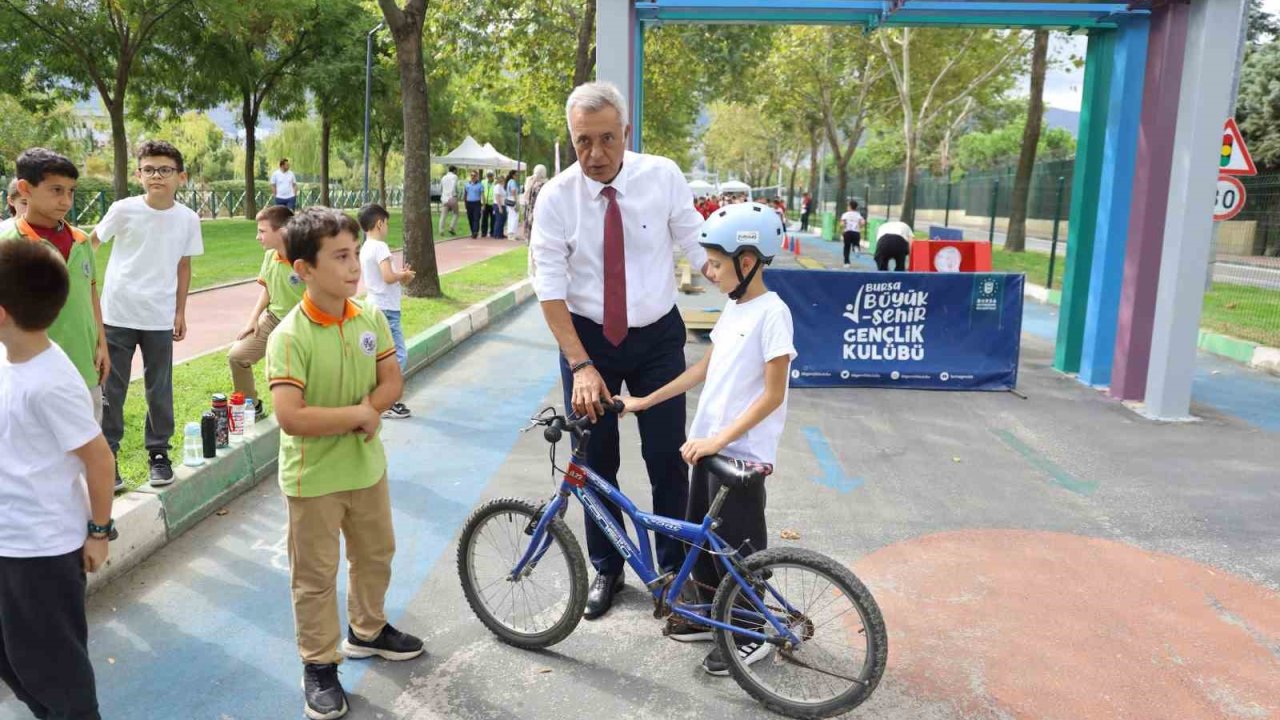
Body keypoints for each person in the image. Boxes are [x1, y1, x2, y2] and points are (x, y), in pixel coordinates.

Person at [530, 81, 712, 620]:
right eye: (583, 141)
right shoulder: (557, 197)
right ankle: (606, 568)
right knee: (595, 463)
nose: (595, 154)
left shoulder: (662, 176)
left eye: (607, 139)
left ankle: (673, 577)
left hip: (656, 337)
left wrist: (744, 293)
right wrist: (580, 363)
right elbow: (550, 288)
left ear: (626, 134)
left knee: (667, 460)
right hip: (589, 344)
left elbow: (697, 243)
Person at [620, 201, 794, 675]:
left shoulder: (772, 313)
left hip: (740, 457)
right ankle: (709, 617)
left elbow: (773, 396)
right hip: (711, 449)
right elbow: (702, 368)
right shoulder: (736, 309)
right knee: (703, 542)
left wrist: (718, 440)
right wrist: (645, 401)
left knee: (737, 551)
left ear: (747, 261)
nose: (709, 272)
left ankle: (749, 632)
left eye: (716, 263)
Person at [266, 208, 424, 720]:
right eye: (339, 257)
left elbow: (392, 382)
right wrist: (360, 413)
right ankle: (319, 664)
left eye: (355, 253)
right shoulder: (288, 336)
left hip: (365, 467)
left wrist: (372, 409)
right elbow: (291, 417)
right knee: (314, 576)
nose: (354, 266)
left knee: (376, 553)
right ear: (303, 269)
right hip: (313, 480)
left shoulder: (370, 317)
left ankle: (368, 630)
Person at [0, 239, 117, 720]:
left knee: (54, 663)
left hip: (42, 550)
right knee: (12, 658)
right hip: (10, 540)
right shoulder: (9, 360)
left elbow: (100, 459)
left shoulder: (51, 381)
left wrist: (99, 531)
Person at [92, 140, 204, 489]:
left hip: (158, 317)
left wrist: (180, 311)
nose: (157, 176)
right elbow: (91, 243)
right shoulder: (123, 209)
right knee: (113, 388)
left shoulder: (188, 219)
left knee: (159, 387)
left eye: (165, 170)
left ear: (180, 177)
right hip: (117, 315)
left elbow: (184, 266)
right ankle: (107, 458)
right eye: (150, 169)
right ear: (139, 174)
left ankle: (158, 453)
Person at [0, 149, 110, 473]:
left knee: (87, 450)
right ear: (24, 188)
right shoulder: (9, 242)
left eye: (71, 191)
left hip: (83, 364)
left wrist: (101, 342)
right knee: (38, 456)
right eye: (56, 190)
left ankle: (93, 514)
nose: (65, 200)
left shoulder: (80, 241)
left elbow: (90, 293)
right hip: (28, 370)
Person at [227, 205, 302, 415]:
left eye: (262, 231)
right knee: (237, 356)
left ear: (282, 231)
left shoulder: (306, 259)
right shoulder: (270, 255)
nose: (258, 237)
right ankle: (252, 406)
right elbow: (268, 289)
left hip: (302, 325)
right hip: (273, 318)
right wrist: (253, 320)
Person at [357, 202, 414, 420]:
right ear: (379, 223)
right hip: (387, 309)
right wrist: (403, 276)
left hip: (374, 304)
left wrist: (397, 274)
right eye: (387, 223)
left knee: (378, 355)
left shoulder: (365, 247)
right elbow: (388, 277)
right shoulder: (380, 247)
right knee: (398, 355)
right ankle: (386, 400)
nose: (387, 227)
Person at [518, 164, 548, 243]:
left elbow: (526, 198)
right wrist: (530, 184)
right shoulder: (535, 185)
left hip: (537, 214)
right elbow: (526, 198)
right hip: (534, 213)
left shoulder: (542, 186)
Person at [840, 199, 866, 268]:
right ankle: (856, 248)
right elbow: (863, 222)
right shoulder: (858, 214)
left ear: (850, 206)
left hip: (847, 232)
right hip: (856, 232)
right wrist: (860, 225)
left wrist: (843, 225)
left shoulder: (845, 214)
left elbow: (842, 223)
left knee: (846, 247)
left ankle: (846, 262)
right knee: (855, 244)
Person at [438, 165, 459, 236]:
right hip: (452, 197)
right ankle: (451, 227)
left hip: (444, 198)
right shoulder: (455, 177)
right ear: (454, 170)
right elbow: (455, 186)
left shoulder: (443, 177)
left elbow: (441, 188)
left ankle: (441, 230)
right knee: (456, 213)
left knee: (443, 215)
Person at [463, 170, 484, 238]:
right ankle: (472, 231)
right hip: (469, 203)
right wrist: (465, 203)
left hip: (477, 203)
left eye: (474, 175)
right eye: (471, 175)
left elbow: (482, 195)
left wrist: (483, 204)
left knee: (476, 218)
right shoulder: (467, 185)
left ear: (477, 176)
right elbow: (465, 194)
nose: (473, 177)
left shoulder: (480, 185)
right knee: (470, 218)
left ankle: (475, 232)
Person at [480, 171, 496, 238]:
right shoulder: (483, 182)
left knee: (493, 219)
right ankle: (484, 232)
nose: (489, 178)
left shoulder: (495, 182)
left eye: (491, 176)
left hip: (493, 203)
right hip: (485, 203)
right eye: (488, 176)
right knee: (484, 219)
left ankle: (492, 232)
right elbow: (482, 191)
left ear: (493, 176)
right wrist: (483, 203)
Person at [492, 175, 508, 239]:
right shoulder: (497, 187)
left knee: (502, 220)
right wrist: (500, 207)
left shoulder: (502, 187)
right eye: (503, 179)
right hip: (498, 205)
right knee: (499, 220)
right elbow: (497, 197)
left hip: (503, 205)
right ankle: (497, 234)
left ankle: (500, 233)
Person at [504, 170, 520, 235]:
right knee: (515, 216)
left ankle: (510, 231)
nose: (517, 176)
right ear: (513, 175)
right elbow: (513, 192)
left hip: (509, 199)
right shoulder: (513, 182)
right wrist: (516, 202)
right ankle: (513, 232)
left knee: (510, 216)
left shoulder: (509, 182)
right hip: (513, 199)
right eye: (516, 175)